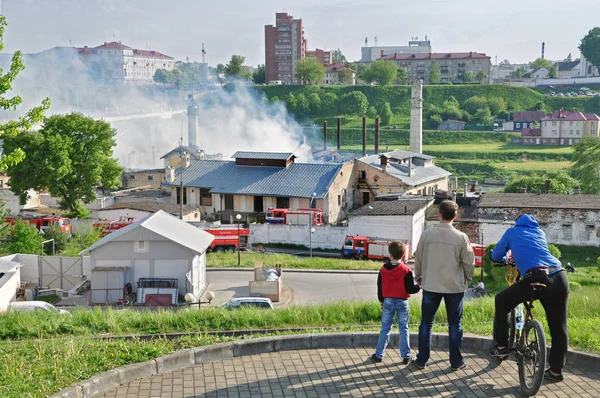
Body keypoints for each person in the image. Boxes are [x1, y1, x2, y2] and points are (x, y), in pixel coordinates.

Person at [490, 214, 569, 382]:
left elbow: (497, 255)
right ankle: (556, 371)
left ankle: (502, 347)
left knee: (502, 300)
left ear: (517, 222)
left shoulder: (512, 232)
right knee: (559, 325)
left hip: (538, 278)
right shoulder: (539, 232)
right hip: (560, 276)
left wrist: (503, 258)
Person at [413, 200, 475, 371]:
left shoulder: (427, 235)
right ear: (455, 216)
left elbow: (418, 258)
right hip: (454, 286)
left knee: (426, 323)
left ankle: (421, 360)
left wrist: (418, 277)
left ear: (439, 214)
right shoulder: (462, 238)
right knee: (455, 324)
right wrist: (467, 280)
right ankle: (456, 362)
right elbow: (470, 263)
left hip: (431, 285)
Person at [371, 241, 420, 364]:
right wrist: (418, 286)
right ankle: (406, 356)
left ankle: (379, 355)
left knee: (385, 328)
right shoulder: (406, 270)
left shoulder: (383, 270)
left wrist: (382, 301)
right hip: (402, 302)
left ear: (390, 254)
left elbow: (380, 288)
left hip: (387, 301)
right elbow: (410, 289)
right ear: (403, 255)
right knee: (404, 328)